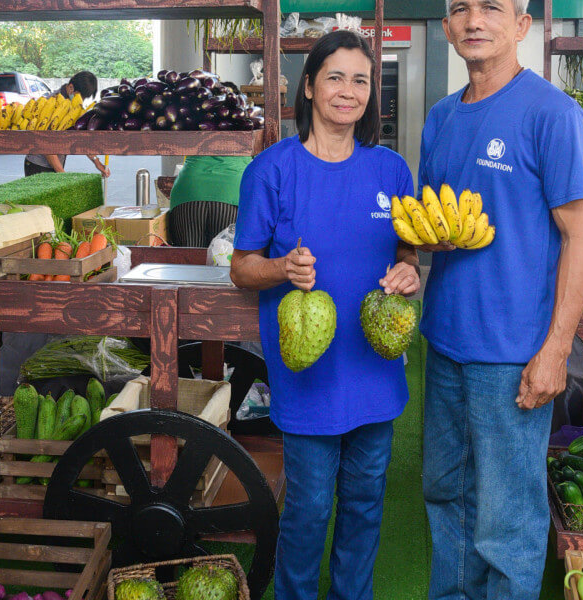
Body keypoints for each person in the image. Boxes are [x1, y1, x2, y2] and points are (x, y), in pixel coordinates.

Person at [231, 30, 420, 600]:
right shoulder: (272, 170)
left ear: (371, 94)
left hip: (376, 376)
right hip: (308, 377)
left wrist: (410, 271)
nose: (348, 90)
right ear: (310, 86)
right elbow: (242, 268)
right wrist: (283, 267)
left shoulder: (391, 171)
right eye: (335, 77)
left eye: (360, 80)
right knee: (309, 511)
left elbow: (406, 251)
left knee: (364, 508)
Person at [419, 1, 583, 598]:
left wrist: (556, 351)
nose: (474, 19)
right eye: (460, 9)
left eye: (491, 6)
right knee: (446, 497)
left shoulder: (553, 114)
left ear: (521, 25)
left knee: (508, 520)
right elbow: (427, 227)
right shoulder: (440, 117)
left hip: (513, 354)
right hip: (443, 346)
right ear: (446, 28)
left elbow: (578, 239)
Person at [168, 82, 251, 247]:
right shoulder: (246, 125)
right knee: (221, 263)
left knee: (188, 264)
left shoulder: (200, 120)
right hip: (230, 194)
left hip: (189, 191)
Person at [24, 71, 110, 178]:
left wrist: (96, 162)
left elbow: (79, 135)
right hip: (37, 165)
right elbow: (46, 144)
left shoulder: (74, 106)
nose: (81, 101)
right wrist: (61, 173)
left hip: (55, 165)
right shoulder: (52, 103)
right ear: (70, 87)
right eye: (80, 96)